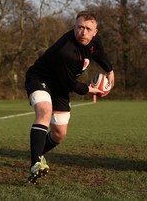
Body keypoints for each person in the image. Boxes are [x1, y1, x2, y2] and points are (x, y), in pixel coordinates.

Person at [24, 11, 115, 184]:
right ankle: (35, 162)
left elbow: (99, 53)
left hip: (60, 86)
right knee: (44, 111)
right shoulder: (66, 51)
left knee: (59, 133)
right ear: (74, 27)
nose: (84, 32)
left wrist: (109, 69)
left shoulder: (93, 41)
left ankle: (37, 154)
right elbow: (70, 84)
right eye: (80, 27)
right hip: (40, 79)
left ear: (95, 31)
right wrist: (91, 90)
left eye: (88, 29)